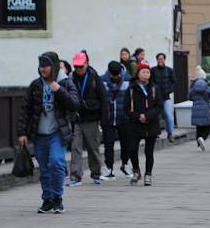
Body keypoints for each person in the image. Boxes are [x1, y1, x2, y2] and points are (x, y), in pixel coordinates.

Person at [18, 52, 80, 214]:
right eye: (40, 66)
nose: (42, 69)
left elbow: (74, 104)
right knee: (44, 169)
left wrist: (59, 90)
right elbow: (26, 109)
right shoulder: (35, 85)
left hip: (57, 133)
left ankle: (58, 198)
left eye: (45, 66)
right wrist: (22, 132)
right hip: (39, 134)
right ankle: (47, 199)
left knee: (57, 163)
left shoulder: (65, 83)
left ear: (53, 66)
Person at [68, 51, 107, 186]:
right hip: (77, 118)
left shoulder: (95, 78)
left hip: (91, 118)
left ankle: (96, 173)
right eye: (76, 66)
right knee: (75, 147)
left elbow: (103, 99)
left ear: (87, 63)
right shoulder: (71, 78)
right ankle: (75, 176)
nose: (78, 69)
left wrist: (103, 120)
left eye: (81, 66)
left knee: (93, 148)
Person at [123, 61, 162, 185]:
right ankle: (136, 171)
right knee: (132, 149)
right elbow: (126, 108)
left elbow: (158, 107)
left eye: (147, 72)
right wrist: (138, 116)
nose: (146, 74)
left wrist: (147, 116)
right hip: (135, 124)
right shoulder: (131, 89)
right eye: (143, 72)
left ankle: (148, 174)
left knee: (149, 152)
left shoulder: (155, 88)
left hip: (151, 124)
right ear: (138, 74)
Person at [101, 60, 132, 179]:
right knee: (108, 144)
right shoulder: (102, 80)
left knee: (126, 144)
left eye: (117, 74)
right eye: (113, 75)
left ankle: (125, 164)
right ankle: (109, 168)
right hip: (108, 117)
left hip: (124, 117)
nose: (115, 77)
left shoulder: (128, 80)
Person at [152, 52, 176, 142]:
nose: (160, 60)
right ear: (157, 60)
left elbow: (174, 81)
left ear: (164, 59)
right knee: (156, 116)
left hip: (166, 97)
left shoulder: (169, 70)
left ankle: (170, 133)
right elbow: (151, 82)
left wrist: (170, 90)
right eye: (159, 59)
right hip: (155, 98)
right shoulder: (153, 70)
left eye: (162, 58)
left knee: (169, 115)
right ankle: (156, 133)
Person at [189, 66, 210, 151]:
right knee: (208, 127)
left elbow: (189, 97)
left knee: (198, 128)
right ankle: (203, 138)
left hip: (195, 108)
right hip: (205, 108)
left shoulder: (193, 86)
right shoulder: (207, 85)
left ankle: (199, 146)